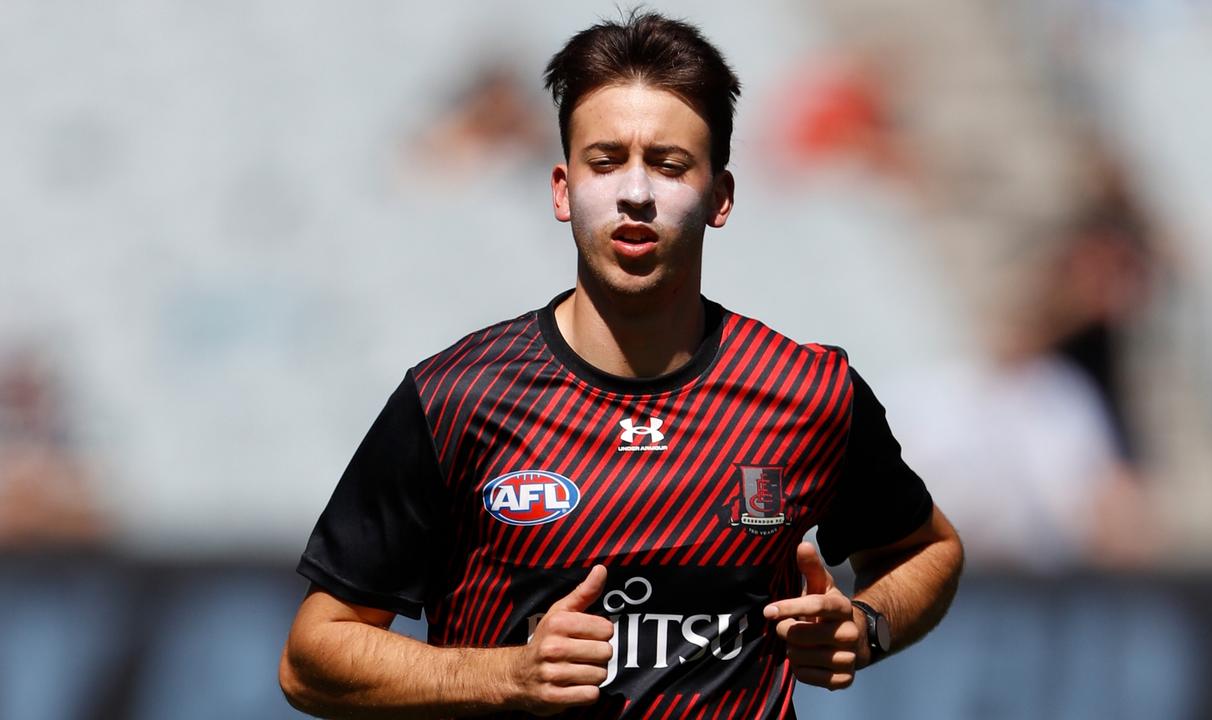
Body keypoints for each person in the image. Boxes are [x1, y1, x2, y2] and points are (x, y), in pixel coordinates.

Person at [280, 12, 963, 719]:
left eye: (668, 165)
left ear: (720, 198)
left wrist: (866, 628)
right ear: (561, 189)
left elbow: (927, 550)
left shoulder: (808, 392)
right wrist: (504, 674)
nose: (635, 192)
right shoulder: (454, 397)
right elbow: (312, 657)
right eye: (606, 161)